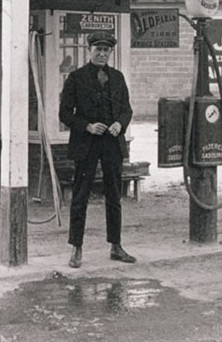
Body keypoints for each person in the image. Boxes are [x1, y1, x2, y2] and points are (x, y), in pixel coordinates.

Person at [59, 31, 136, 269]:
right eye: (98, 49)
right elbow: (64, 114)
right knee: (80, 195)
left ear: (110, 52)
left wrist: (119, 124)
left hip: (112, 143)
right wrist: (87, 126)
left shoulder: (118, 78)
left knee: (114, 195)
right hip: (86, 144)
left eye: (106, 50)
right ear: (89, 50)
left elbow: (127, 110)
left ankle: (116, 246)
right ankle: (76, 248)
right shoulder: (76, 78)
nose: (102, 54)